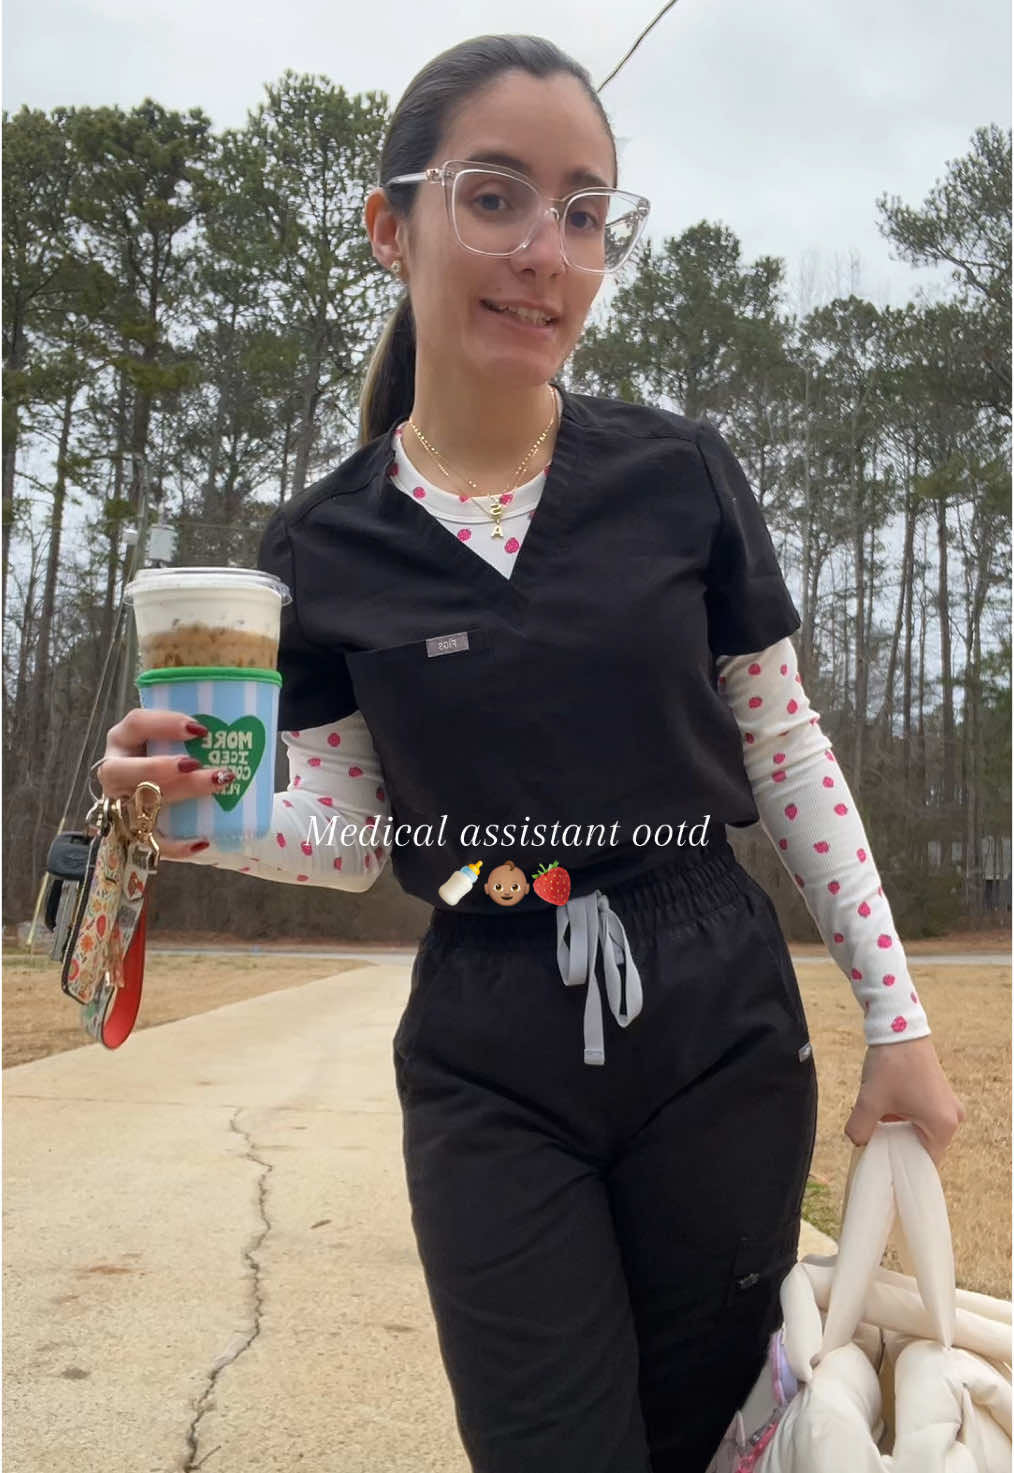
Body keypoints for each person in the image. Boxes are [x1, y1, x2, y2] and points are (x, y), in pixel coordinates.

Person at [96, 34, 965, 1473]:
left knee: (708, 1440)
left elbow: (784, 744)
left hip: (712, 1020)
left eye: (583, 211)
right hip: (487, 1035)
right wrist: (198, 816)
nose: (543, 251)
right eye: (493, 197)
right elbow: (359, 833)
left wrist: (900, 1020)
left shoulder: (678, 474)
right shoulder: (323, 546)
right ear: (392, 227)